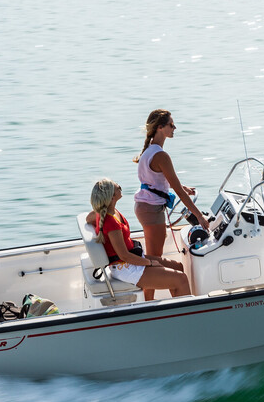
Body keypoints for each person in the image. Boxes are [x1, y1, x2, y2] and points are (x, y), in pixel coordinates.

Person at [133, 109, 209, 299]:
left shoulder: (150, 150)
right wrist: (199, 216)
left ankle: (153, 300)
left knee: (153, 260)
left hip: (145, 207)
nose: (175, 128)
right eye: (171, 125)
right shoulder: (161, 155)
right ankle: (149, 303)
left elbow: (159, 180)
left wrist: (182, 186)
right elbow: (177, 190)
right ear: (160, 127)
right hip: (151, 210)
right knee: (154, 262)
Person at [88, 178, 191, 298]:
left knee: (178, 267)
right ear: (111, 197)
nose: (119, 186)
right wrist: (150, 263)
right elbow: (124, 256)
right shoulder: (111, 223)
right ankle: (184, 313)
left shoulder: (107, 212)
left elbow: (88, 218)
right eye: (116, 187)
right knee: (181, 279)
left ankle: (175, 308)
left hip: (133, 259)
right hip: (126, 268)